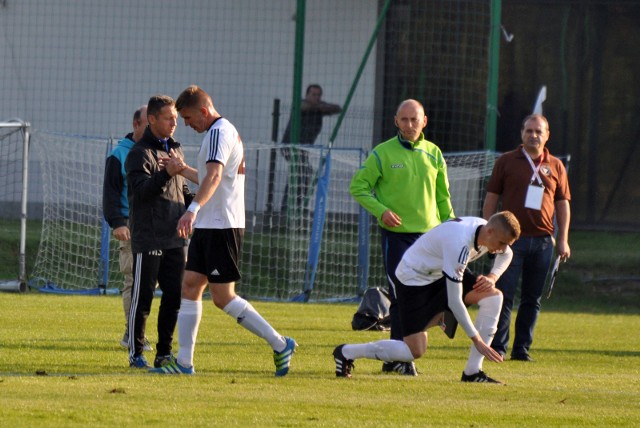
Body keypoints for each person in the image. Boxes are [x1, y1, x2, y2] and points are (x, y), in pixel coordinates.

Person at [150, 85, 297, 376]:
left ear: (204, 111)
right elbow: (209, 176)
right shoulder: (217, 133)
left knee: (223, 297)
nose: (189, 125)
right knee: (190, 286)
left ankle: (280, 344)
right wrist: (181, 169)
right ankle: (184, 363)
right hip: (211, 223)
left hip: (222, 224)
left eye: (190, 119)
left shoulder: (219, 132)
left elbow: (215, 176)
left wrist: (191, 210)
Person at [333, 212, 521, 384]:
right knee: (413, 351)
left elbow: (508, 254)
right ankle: (346, 351)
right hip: (413, 281)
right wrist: (478, 341)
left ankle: (472, 372)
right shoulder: (460, 244)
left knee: (493, 296)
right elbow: (455, 302)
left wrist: (492, 277)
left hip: (440, 274)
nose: (503, 248)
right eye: (502, 243)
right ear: (490, 232)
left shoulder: (487, 233)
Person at [349, 99, 455, 376]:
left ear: (424, 121)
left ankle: (398, 355)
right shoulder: (382, 153)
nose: (409, 125)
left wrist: (452, 229)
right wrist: (381, 211)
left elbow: (443, 198)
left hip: (430, 239)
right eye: (404, 120)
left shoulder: (434, 153)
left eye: (414, 119)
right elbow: (358, 187)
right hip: (397, 239)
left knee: (425, 297)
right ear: (396, 121)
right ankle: (397, 357)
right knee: (401, 296)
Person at [483, 114, 571, 362]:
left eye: (538, 131)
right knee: (504, 294)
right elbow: (491, 197)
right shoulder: (507, 161)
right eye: (529, 131)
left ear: (547, 135)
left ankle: (521, 349)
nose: (534, 135)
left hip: (543, 241)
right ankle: (498, 347)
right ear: (522, 133)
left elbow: (563, 205)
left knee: (532, 299)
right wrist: (489, 233)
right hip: (510, 242)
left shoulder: (555, 165)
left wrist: (562, 239)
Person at [124, 94, 195, 369]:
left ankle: (164, 352)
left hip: (176, 237)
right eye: (168, 118)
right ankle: (136, 353)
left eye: (176, 118)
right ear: (152, 119)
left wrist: (198, 205)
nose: (174, 123)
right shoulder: (139, 153)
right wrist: (166, 173)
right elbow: (141, 193)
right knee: (143, 298)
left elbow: (183, 190)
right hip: (150, 236)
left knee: (174, 297)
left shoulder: (176, 150)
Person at [102, 105, 152, 352]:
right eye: (149, 123)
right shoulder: (119, 155)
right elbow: (110, 193)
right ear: (136, 125)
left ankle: (137, 330)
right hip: (131, 226)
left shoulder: (160, 149)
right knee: (133, 279)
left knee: (151, 282)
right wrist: (118, 222)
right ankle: (132, 333)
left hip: (156, 225)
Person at [280, 84, 341, 213]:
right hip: (290, 146)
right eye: (313, 95)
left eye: (318, 95)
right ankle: (288, 208)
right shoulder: (301, 104)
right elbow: (304, 107)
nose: (316, 97)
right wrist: (320, 107)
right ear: (307, 95)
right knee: (300, 173)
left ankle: (295, 207)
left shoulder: (318, 108)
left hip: (303, 149)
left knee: (301, 174)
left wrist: (320, 107)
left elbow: (337, 108)